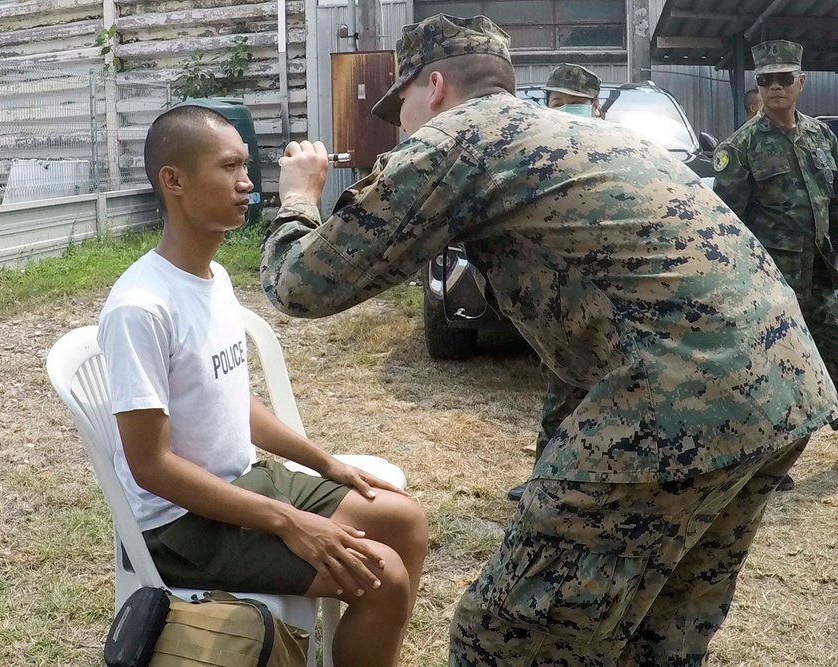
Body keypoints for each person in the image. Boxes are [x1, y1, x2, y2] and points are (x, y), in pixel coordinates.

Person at [260, 14, 838, 666]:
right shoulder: (582, 133)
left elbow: (303, 284)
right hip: (786, 386)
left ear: (438, 86)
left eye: (404, 106)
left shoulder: (458, 138)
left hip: (683, 398)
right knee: (658, 631)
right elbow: (591, 328)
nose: (403, 124)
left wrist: (297, 199)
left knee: (506, 635)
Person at [97, 104, 428, 667]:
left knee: (406, 519)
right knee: (384, 578)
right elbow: (150, 466)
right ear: (172, 181)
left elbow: (230, 398)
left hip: (246, 483)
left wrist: (325, 462)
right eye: (229, 167)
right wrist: (291, 522)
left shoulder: (213, 277)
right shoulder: (140, 307)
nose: (248, 183)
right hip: (182, 526)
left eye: (247, 166)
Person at [714, 39, 838, 493]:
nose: (775, 87)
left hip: (821, 277)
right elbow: (726, 224)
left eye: (784, 78)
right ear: (758, 87)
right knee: (773, 374)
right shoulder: (739, 148)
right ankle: (768, 464)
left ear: (801, 83)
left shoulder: (821, 137)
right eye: (765, 80)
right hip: (772, 286)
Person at [506, 61, 600, 503]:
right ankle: (544, 481)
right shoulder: (536, 151)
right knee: (563, 390)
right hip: (561, 297)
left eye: (574, 104)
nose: (563, 110)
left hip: (612, 295)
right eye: (555, 102)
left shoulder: (615, 149)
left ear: (595, 107)